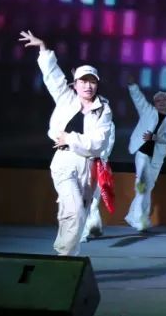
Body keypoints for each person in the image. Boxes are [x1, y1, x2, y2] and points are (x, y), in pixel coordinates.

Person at [19, 30, 114, 256]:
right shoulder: (66, 98)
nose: (88, 86)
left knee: (76, 214)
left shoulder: (104, 109)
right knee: (75, 211)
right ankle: (65, 258)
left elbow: (98, 143)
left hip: (89, 166)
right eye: (84, 81)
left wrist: (70, 138)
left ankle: (64, 252)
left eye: (92, 82)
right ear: (75, 84)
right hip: (64, 161)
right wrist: (43, 49)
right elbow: (52, 76)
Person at [120, 79, 166, 232]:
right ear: (154, 103)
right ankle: (140, 219)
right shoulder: (147, 111)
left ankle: (133, 216)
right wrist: (132, 85)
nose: (161, 102)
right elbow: (138, 98)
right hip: (142, 153)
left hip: (157, 157)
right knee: (142, 184)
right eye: (158, 100)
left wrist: (155, 137)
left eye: (164, 100)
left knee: (148, 187)